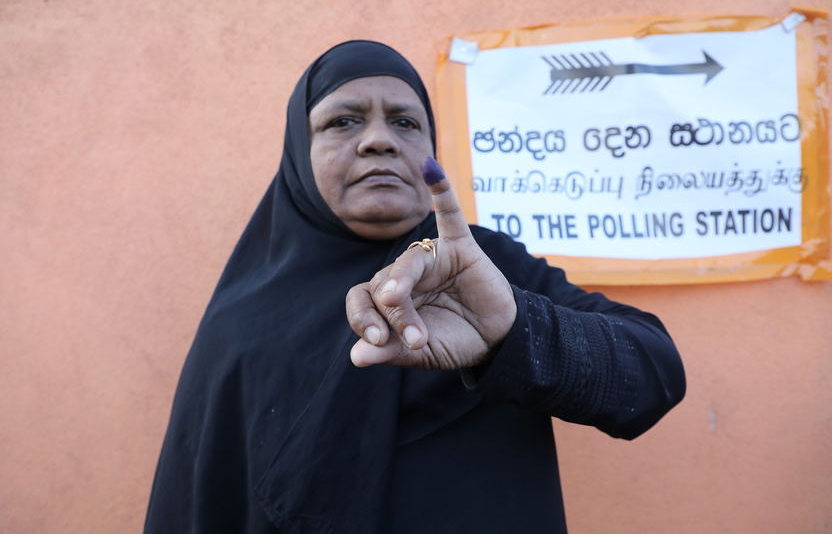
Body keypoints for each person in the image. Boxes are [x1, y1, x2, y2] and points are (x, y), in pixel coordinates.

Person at [144, 40, 686, 534]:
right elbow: (195, 502)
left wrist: (515, 332)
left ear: (432, 145)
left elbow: (655, 376)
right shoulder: (241, 318)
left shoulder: (486, 268)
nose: (378, 140)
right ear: (298, 154)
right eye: (343, 121)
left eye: (405, 123)